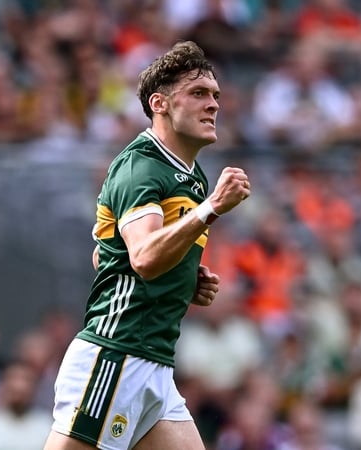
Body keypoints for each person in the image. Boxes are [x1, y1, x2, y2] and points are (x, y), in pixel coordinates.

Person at [43, 40, 251, 450]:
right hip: (116, 355)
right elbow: (142, 257)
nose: (213, 105)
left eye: (215, 96)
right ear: (160, 103)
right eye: (198, 94)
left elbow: (107, 254)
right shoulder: (142, 165)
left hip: (154, 362)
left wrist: (183, 277)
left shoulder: (190, 176)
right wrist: (210, 210)